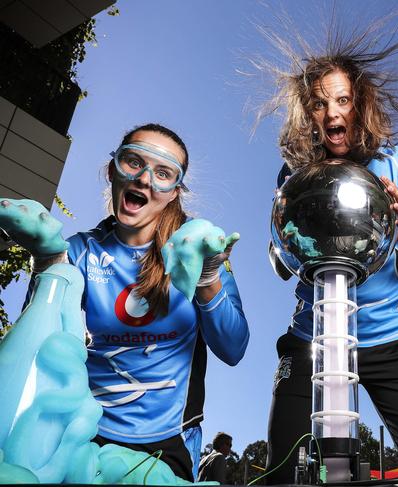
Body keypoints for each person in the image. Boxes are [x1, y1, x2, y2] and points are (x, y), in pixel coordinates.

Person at [6, 123, 250, 481]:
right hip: (78, 433)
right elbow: (38, 350)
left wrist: (208, 279)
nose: (145, 179)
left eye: (163, 173)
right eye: (133, 162)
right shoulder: (78, 251)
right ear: (112, 171)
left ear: (174, 193)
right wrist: (48, 262)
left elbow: (234, 348)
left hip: (166, 445)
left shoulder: (198, 251)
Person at [263, 31, 398, 483]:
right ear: (307, 114)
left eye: (343, 100)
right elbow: (279, 263)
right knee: (282, 474)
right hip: (313, 337)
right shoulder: (295, 173)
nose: (332, 113)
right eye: (318, 103)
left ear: (360, 104)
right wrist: (284, 242)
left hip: (392, 337)